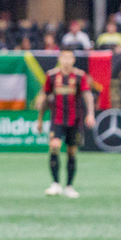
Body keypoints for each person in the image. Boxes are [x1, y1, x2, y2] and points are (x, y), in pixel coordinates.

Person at [35, 49, 95, 199]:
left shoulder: (80, 76)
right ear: (59, 59)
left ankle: (69, 186)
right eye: (64, 58)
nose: (66, 61)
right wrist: (40, 119)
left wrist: (90, 114)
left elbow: (88, 95)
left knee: (71, 151)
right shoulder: (51, 76)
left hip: (75, 120)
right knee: (54, 146)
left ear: (73, 60)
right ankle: (55, 184)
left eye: (69, 58)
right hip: (57, 120)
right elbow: (45, 98)